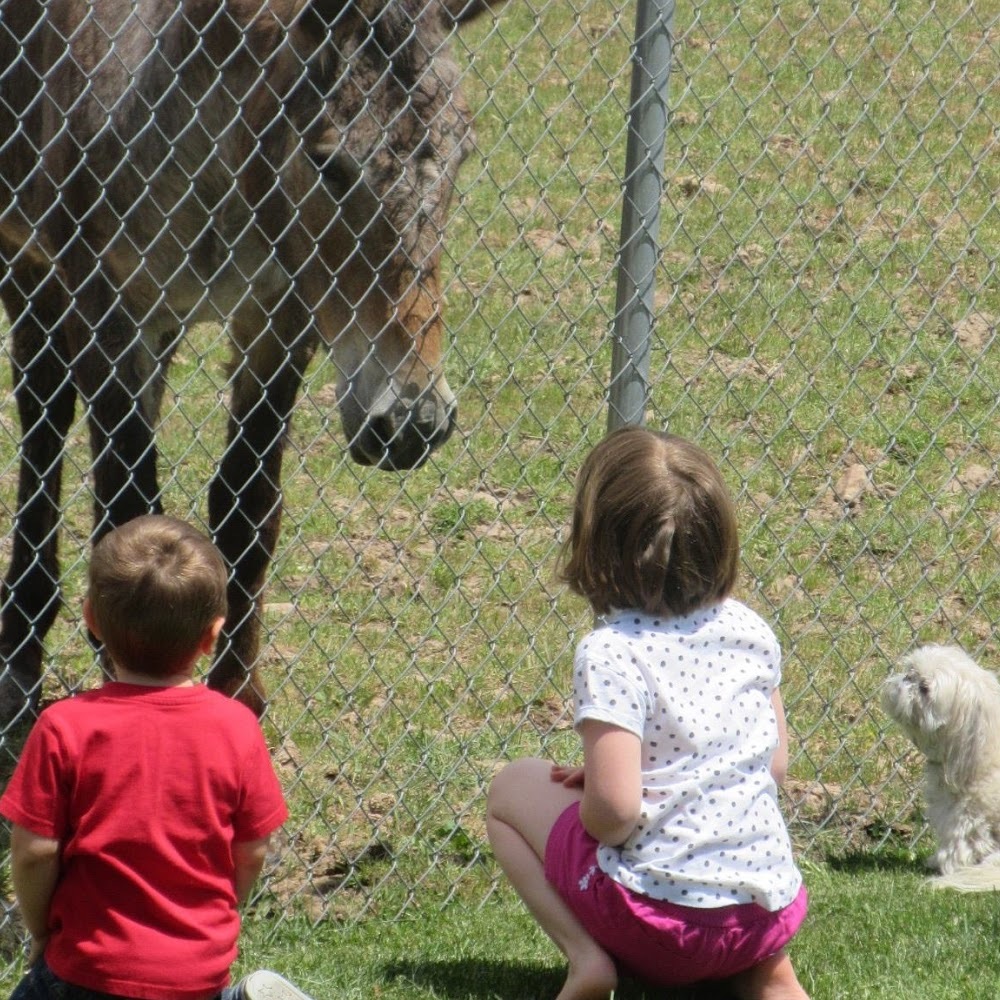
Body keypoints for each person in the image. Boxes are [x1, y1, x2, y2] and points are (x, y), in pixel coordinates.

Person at [487, 427, 810, 1000]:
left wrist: (604, 803)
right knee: (766, 971)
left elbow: (613, 811)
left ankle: (588, 961)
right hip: (762, 913)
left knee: (511, 790)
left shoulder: (611, 650)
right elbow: (772, 767)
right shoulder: (749, 631)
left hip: (657, 921)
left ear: (599, 543)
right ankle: (768, 979)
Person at [1, 515, 311, 1000]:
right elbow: (251, 850)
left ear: (90, 620)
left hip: (86, 969)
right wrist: (213, 915)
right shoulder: (236, 728)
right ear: (212, 636)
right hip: (197, 974)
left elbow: (34, 851)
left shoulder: (64, 727)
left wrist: (42, 932)